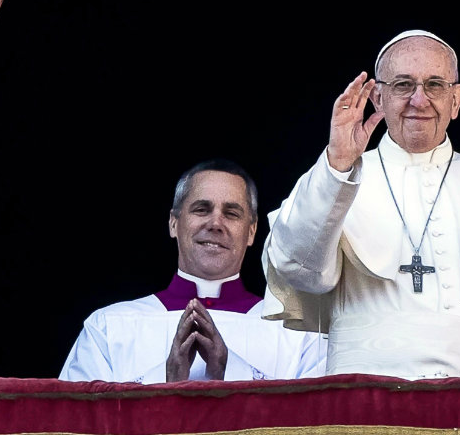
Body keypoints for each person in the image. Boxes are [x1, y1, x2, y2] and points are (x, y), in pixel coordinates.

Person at [259, 29, 460, 381]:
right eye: (402, 85)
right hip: (363, 407)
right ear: (378, 99)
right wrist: (338, 163)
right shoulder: (333, 181)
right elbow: (300, 272)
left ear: (456, 100)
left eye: (434, 85)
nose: (419, 99)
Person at [60, 159, 327, 384]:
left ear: (252, 231)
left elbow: (317, 422)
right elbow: (75, 421)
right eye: (202, 209)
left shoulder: (298, 332)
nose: (215, 223)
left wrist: (229, 370)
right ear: (174, 223)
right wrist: (166, 379)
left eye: (232, 213)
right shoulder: (108, 327)